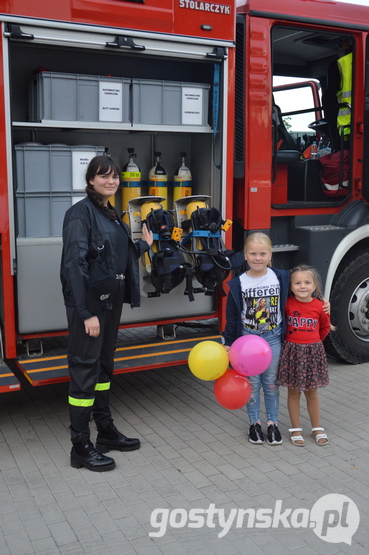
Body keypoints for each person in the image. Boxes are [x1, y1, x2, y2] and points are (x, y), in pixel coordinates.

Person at [60, 155, 153, 472]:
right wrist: (85, 312)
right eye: (103, 176)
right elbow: (74, 264)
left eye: (114, 176)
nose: (110, 181)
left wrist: (142, 247)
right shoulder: (80, 215)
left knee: (102, 369)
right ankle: (80, 447)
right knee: (85, 372)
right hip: (90, 308)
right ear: (90, 180)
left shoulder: (110, 214)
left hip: (108, 305)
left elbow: (114, 255)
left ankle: (106, 432)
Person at [223, 232, 289, 446]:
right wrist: (228, 343)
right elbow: (232, 319)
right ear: (245, 255)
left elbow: (302, 292)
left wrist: (321, 301)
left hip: (273, 339)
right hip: (248, 341)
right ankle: (254, 424)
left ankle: (272, 424)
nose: (258, 258)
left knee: (271, 384)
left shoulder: (281, 277)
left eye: (262, 253)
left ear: (270, 255)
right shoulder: (237, 284)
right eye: (253, 253)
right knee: (252, 385)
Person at [278, 265, 332, 446]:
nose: (302, 286)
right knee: (293, 393)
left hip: (312, 353)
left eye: (307, 282)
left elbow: (325, 328)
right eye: (297, 282)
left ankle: (316, 428)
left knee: (312, 393)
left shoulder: (319, 306)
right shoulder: (287, 304)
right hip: (292, 353)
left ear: (314, 285)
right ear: (291, 286)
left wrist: (313, 343)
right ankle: (296, 429)